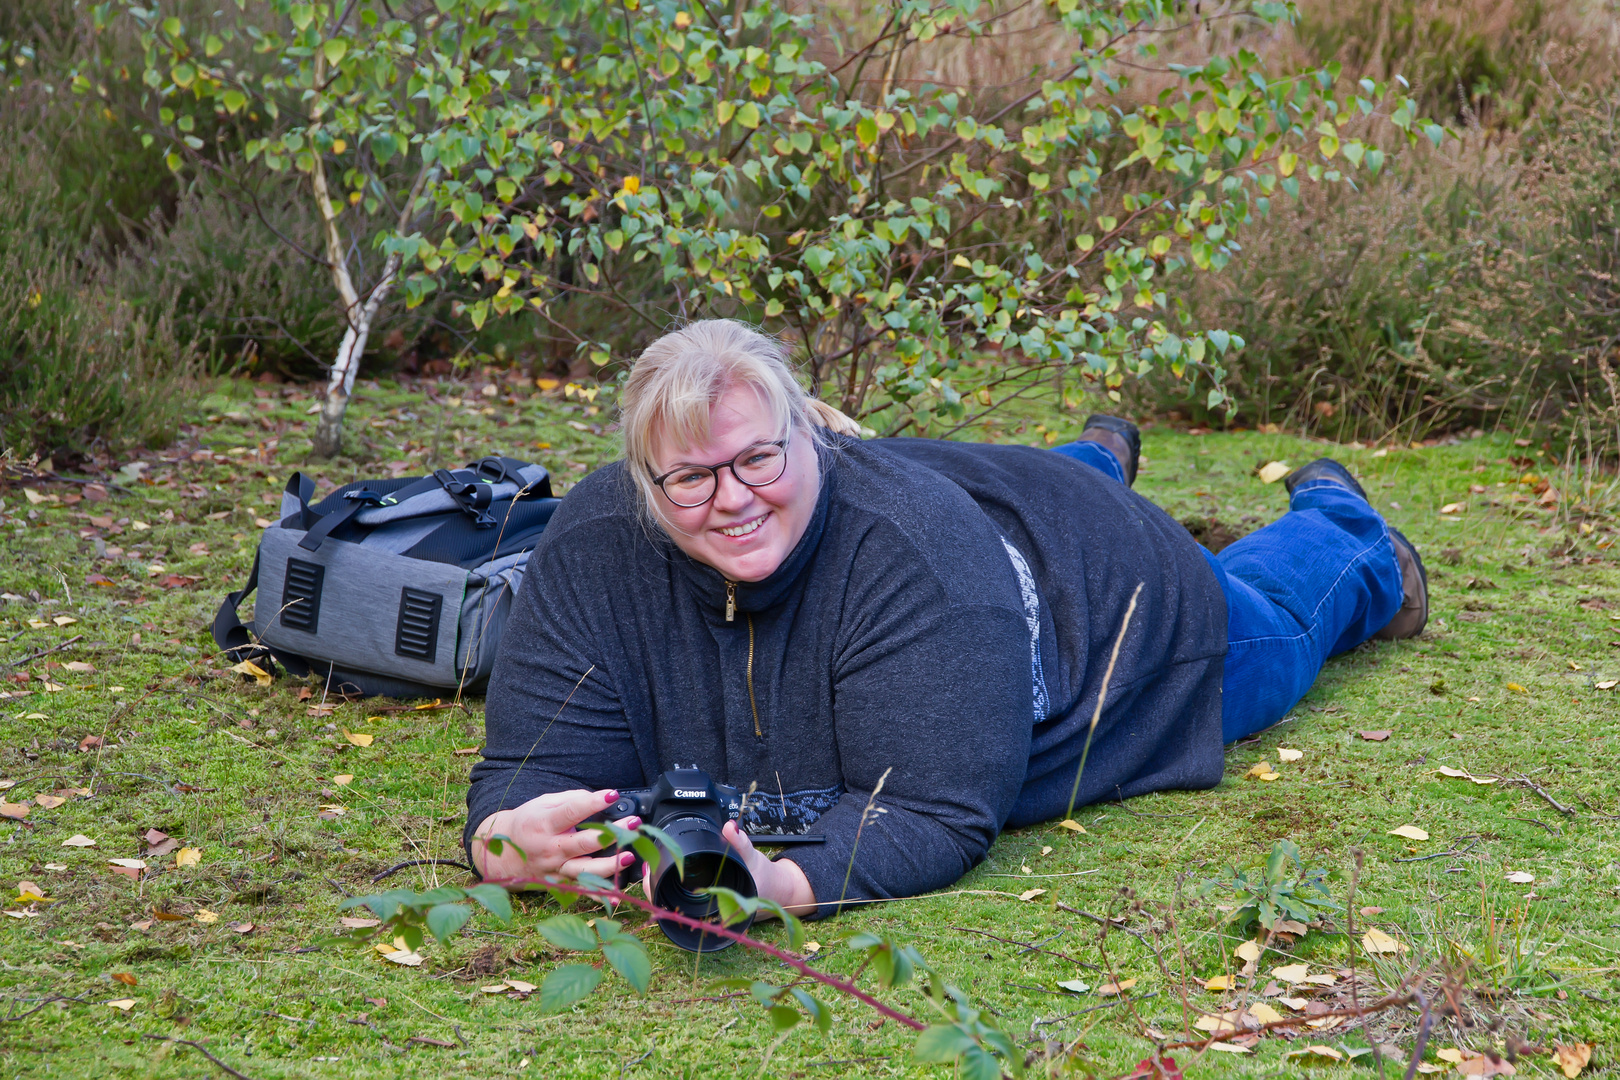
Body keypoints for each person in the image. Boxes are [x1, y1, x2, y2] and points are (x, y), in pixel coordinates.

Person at [465, 320, 1426, 917]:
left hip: (1118, 610)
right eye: (691, 478)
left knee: (1282, 627)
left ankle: (1345, 528)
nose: (731, 498)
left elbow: (931, 813)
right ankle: (1082, 458)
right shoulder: (592, 546)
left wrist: (779, 888)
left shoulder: (918, 562)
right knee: (1000, 494)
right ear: (643, 484)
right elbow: (525, 771)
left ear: (815, 438)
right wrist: (508, 842)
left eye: (759, 460)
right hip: (982, 516)